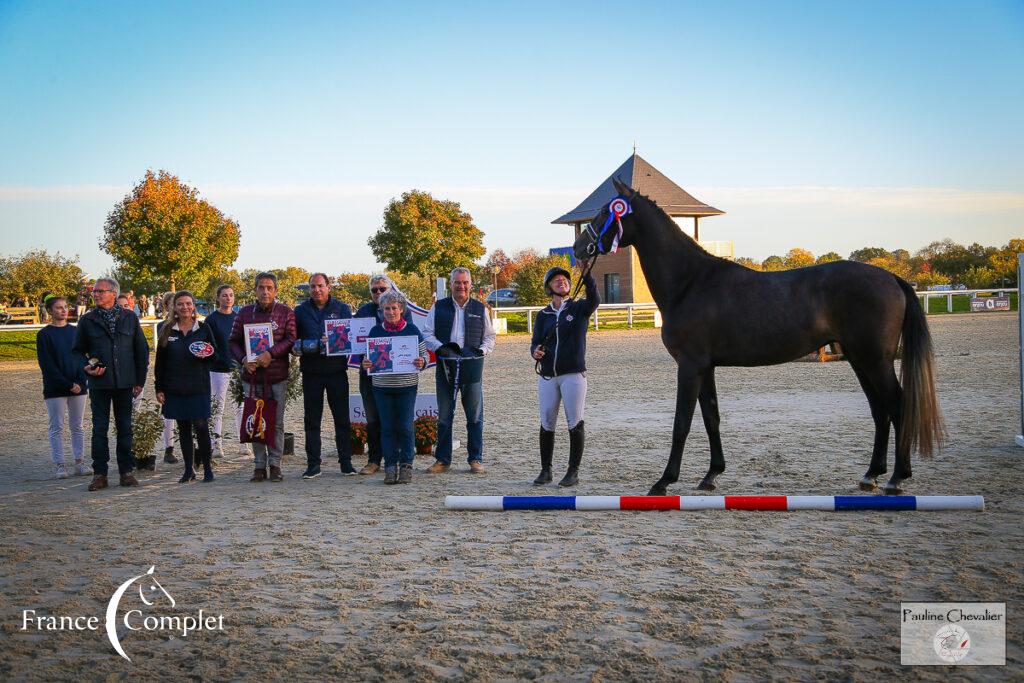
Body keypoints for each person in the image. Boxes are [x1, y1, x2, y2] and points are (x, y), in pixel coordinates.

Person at [72, 277, 149, 491]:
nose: (95, 294)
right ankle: (100, 474)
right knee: (99, 429)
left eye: (100, 291)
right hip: (99, 383)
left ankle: (126, 471)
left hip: (126, 383)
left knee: (125, 428)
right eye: (94, 291)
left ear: (113, 294)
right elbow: (77, 351)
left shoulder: (130, 318)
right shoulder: (87, 320)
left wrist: (139, 381)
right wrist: (86, 367)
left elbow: (141, 350)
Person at [530, 267, 600, 487]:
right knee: (547, 421)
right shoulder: (543, 315)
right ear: (549, 287)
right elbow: (536, 341)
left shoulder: (579, 308)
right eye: (556, 280)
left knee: (574, 421)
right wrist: (535, 351)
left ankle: (573, 471)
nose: (562, 282)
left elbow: (595, 299)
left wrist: (587, 274)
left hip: (573, 374)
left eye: (565, 279)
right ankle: (546, 470)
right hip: (549, 374)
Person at [422, 267, 495, 474]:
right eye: (457, 282)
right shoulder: (438, 307)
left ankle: (475, 459)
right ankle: (443, 460)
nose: (461, 286)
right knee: (445, 415)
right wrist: (440, 348)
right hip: (447, 366)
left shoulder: (481, 309)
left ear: (471, 285)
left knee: (474, 416)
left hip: (472, 366)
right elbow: (427, 333)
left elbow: (490, 337)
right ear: (451, 284)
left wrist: (481, 350)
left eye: (465, 283)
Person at [229, 272, 296, 482]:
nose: (265, 291)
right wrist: (243, 360)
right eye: (261, 287)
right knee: (255, 420)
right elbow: (233, 341)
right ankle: (259, 465)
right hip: (252, 378)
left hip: (277, 376)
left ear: (276, 290)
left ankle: (275, 464)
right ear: (255, 289)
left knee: (275, 422)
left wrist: (271, 353)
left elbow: (292, 339)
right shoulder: (244, 313)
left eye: (269, 287)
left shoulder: (286, 313)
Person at [361, 292, 428, 484]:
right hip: (382, 387)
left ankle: (406, 464)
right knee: (388, 428)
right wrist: (366, 363)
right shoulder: (375, 332)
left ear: (401, 309)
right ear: (381, 311)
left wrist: (421, 361)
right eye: (387, 309)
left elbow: (425, 357)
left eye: (394, 308)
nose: (390, 312)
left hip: (406, 386)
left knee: (406, 427)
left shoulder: (413, 330)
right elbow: (366, 358)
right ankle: (390, 466)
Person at [293, 273, 355, 479]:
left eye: (320, 286)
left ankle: (346, 462)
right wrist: (308, 346)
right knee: (312, 420)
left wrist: (337, 340)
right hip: (311, 372)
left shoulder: (342, 308)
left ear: (329, 286)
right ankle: (313, 464)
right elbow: (293, 341)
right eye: (312, 286)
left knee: (342, 419)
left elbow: (351, 338)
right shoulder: (300, 311)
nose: (316, 290)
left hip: (337, 371)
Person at [154, 291, 218, 483]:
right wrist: (159, 387)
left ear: (193, 306)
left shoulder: (204, 328)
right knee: (182, 427)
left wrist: (206, 355)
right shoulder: (167, 330)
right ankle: (189, 470)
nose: (185, 307)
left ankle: (207, 469)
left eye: (188, 303)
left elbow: (215, 356)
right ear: (174, 307)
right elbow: (160, 362)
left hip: (198, 385)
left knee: (201, 426)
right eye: (180, 304)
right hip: (175, 387)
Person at [353, 274, 412, 475]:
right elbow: (353, 341)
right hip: (369, 374)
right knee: (373, 419)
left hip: (397, 378)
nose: (379, 292)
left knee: (397, 421)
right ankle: (374, 460)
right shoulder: (363, 311)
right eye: (374, 290)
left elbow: (411, 342)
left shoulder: (403, 312)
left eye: (382, 289)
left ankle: (398, 461)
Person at [36, 296, 91, 478]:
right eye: (59, 308)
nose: (63, 310)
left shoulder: (76, 332)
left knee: (77, 426)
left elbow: (82, 358)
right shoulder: (44, 335)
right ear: (50, 311)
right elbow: (47, 365)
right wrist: (68, 384)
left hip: (79, 386)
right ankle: (60, 465)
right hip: (55, 388)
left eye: (65, 307)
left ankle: (79, 462)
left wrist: (80, 382)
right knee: (57, 427)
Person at [206, 284, 245, 458]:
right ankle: (216, 444)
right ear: (218, 298)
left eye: (231, 295)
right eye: (224, 295)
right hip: (218, 370)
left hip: (237, 368)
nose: (228, 298)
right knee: (218, 408)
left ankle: (244, 443)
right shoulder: (211, 320)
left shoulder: (238, 318)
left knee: (241, 407)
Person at [156, 291, 178, 466]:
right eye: (172, 304)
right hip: (170, 376)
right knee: (168, 414)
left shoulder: (195, 326)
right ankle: (168, 447)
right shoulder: (163, 326)